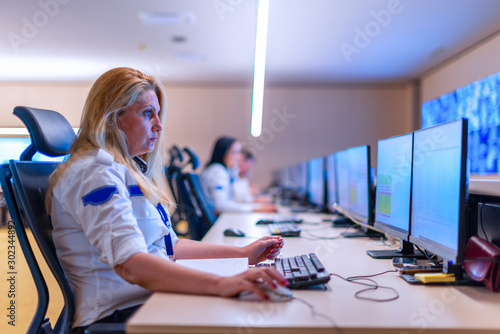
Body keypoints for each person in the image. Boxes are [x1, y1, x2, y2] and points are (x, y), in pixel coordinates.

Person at [45, 67, 286, 331]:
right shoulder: (94, 172)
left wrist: (242, 254)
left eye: (158, 114)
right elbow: (132, 265)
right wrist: (220, 284)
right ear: (113, 117)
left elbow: (171, 247)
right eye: (148, 114)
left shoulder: (125, 171)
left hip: (149, 300)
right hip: (117, 317)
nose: (159, 126)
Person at [200, 137, 277, 214]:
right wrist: (254, 209)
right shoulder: (218, 172)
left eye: (239, 152)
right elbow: (220, 206)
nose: (238, 157)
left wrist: (233, 172)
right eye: (235, 152)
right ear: (223, 153)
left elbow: (233, 198)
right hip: (215, 221)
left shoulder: (219, 170)